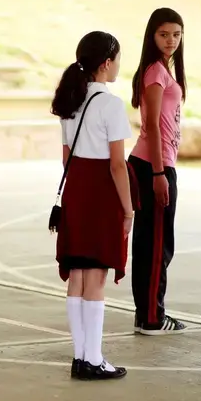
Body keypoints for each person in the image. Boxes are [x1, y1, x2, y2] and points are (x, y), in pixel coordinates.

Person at [51, 31, 138, 381]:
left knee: (78, 274)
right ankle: (95, 357)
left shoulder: (70, 100)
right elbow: (117, 165)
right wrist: (128, 210)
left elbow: (66, 158)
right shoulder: (110, 104)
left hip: (77, 191)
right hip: (102, 193)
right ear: (106, 63)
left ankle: (81, 356)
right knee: (97, 275)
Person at [128, 7, 189, 335]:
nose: (171, 40)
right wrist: (157, 174)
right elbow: (150, 124)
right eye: (164, 34)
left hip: (159, 162)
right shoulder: (154, 72)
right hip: (153, 164)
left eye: (177, 34)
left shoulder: (163, 69)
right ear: (152, 35)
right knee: (156, 243)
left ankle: (149, 312)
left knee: (156, 240)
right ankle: (151, 316)